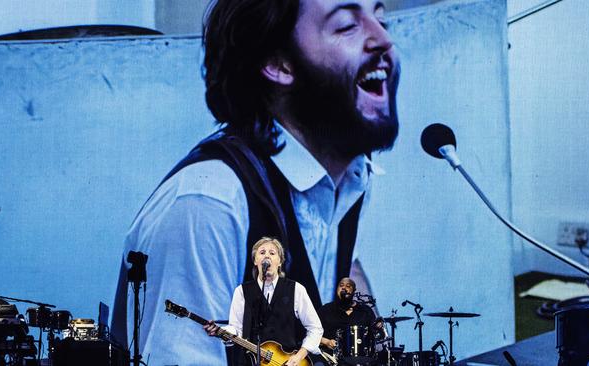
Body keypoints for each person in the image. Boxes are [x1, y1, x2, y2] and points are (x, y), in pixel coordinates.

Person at [111, 0, 400, 364]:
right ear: (277, 63)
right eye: (347, 26)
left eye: (381, 18)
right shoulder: (207, 204)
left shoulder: (349, 181)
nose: (384, 40)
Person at [204, 237, 323, 366]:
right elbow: (236, 329)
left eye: (272, 253)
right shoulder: (242, 291)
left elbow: (315, 328)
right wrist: (221, 332)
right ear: (255, 261)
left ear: (280, 261)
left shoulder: (296, 289)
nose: (267, 256)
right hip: (250, 362)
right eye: (262, 252)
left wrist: (299, 356)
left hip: (285, 362)